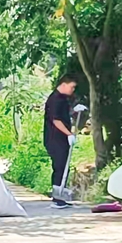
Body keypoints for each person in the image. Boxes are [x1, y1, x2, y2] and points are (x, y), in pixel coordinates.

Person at [44, 75, 77, 208]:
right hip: (54, 139)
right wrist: (69, 134)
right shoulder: (55, 99)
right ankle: (57, 198)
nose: (73, 90)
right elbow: (56, 120)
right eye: (72, 87)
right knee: (59, 168)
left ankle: (60, 196)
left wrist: (75, 111)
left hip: (61, 140)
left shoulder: (63, 99)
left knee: (64, 167)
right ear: (64, 84)